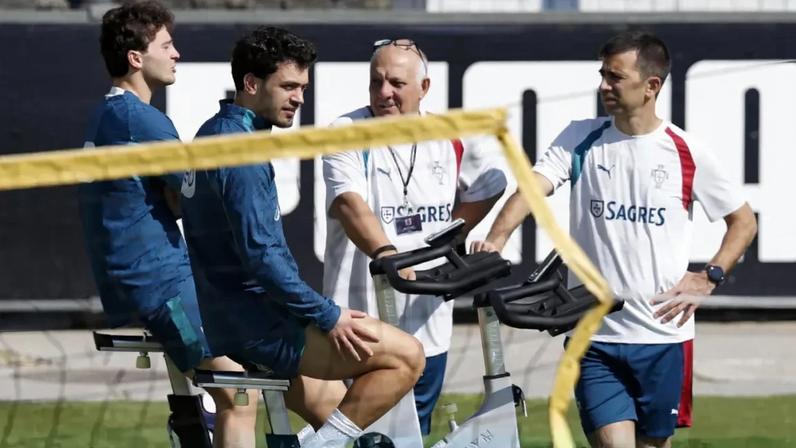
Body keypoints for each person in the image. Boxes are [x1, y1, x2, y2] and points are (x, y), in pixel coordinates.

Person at [472, 31, 757, 448]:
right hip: (593, 333)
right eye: (603, 74)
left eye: (615, 77)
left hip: (662, 339)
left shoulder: (686, 151)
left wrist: (709, 275)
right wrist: (497, 237)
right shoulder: (580, 137)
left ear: (652, 86)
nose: (604, 85)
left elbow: (743, 222)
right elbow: (532, 189)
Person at [179, 26, 425, 448]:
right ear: (252, 84)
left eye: (303, 87)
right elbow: (262, 259)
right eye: (288, 86)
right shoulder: (242, 150)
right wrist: (328, 314)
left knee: (342, 414)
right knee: (407, 357)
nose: (299, 98)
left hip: (235, 320)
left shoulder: (215, 131)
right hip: (260, 328)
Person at [77, 1, 257, 446]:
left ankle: (196, 427)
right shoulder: (140, 120)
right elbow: (197, 198)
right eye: (167, 45)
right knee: (242, 393)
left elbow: (175, 198)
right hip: (160, 281)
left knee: (246, 382)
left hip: (151, 276)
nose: (177, 54)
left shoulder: (111, 115)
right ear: (136, 58)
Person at [322, 38, 507, 434]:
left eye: (396, 83)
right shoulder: (347, 131)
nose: (384, 93)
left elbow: (492, 183)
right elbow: (349, 204)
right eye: (376, 82)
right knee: (363, 436)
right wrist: (388, 254)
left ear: (424, 89)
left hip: (427, 324)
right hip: (362, 325)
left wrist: (452, 235)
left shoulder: (449, 135)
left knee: (413, 433)